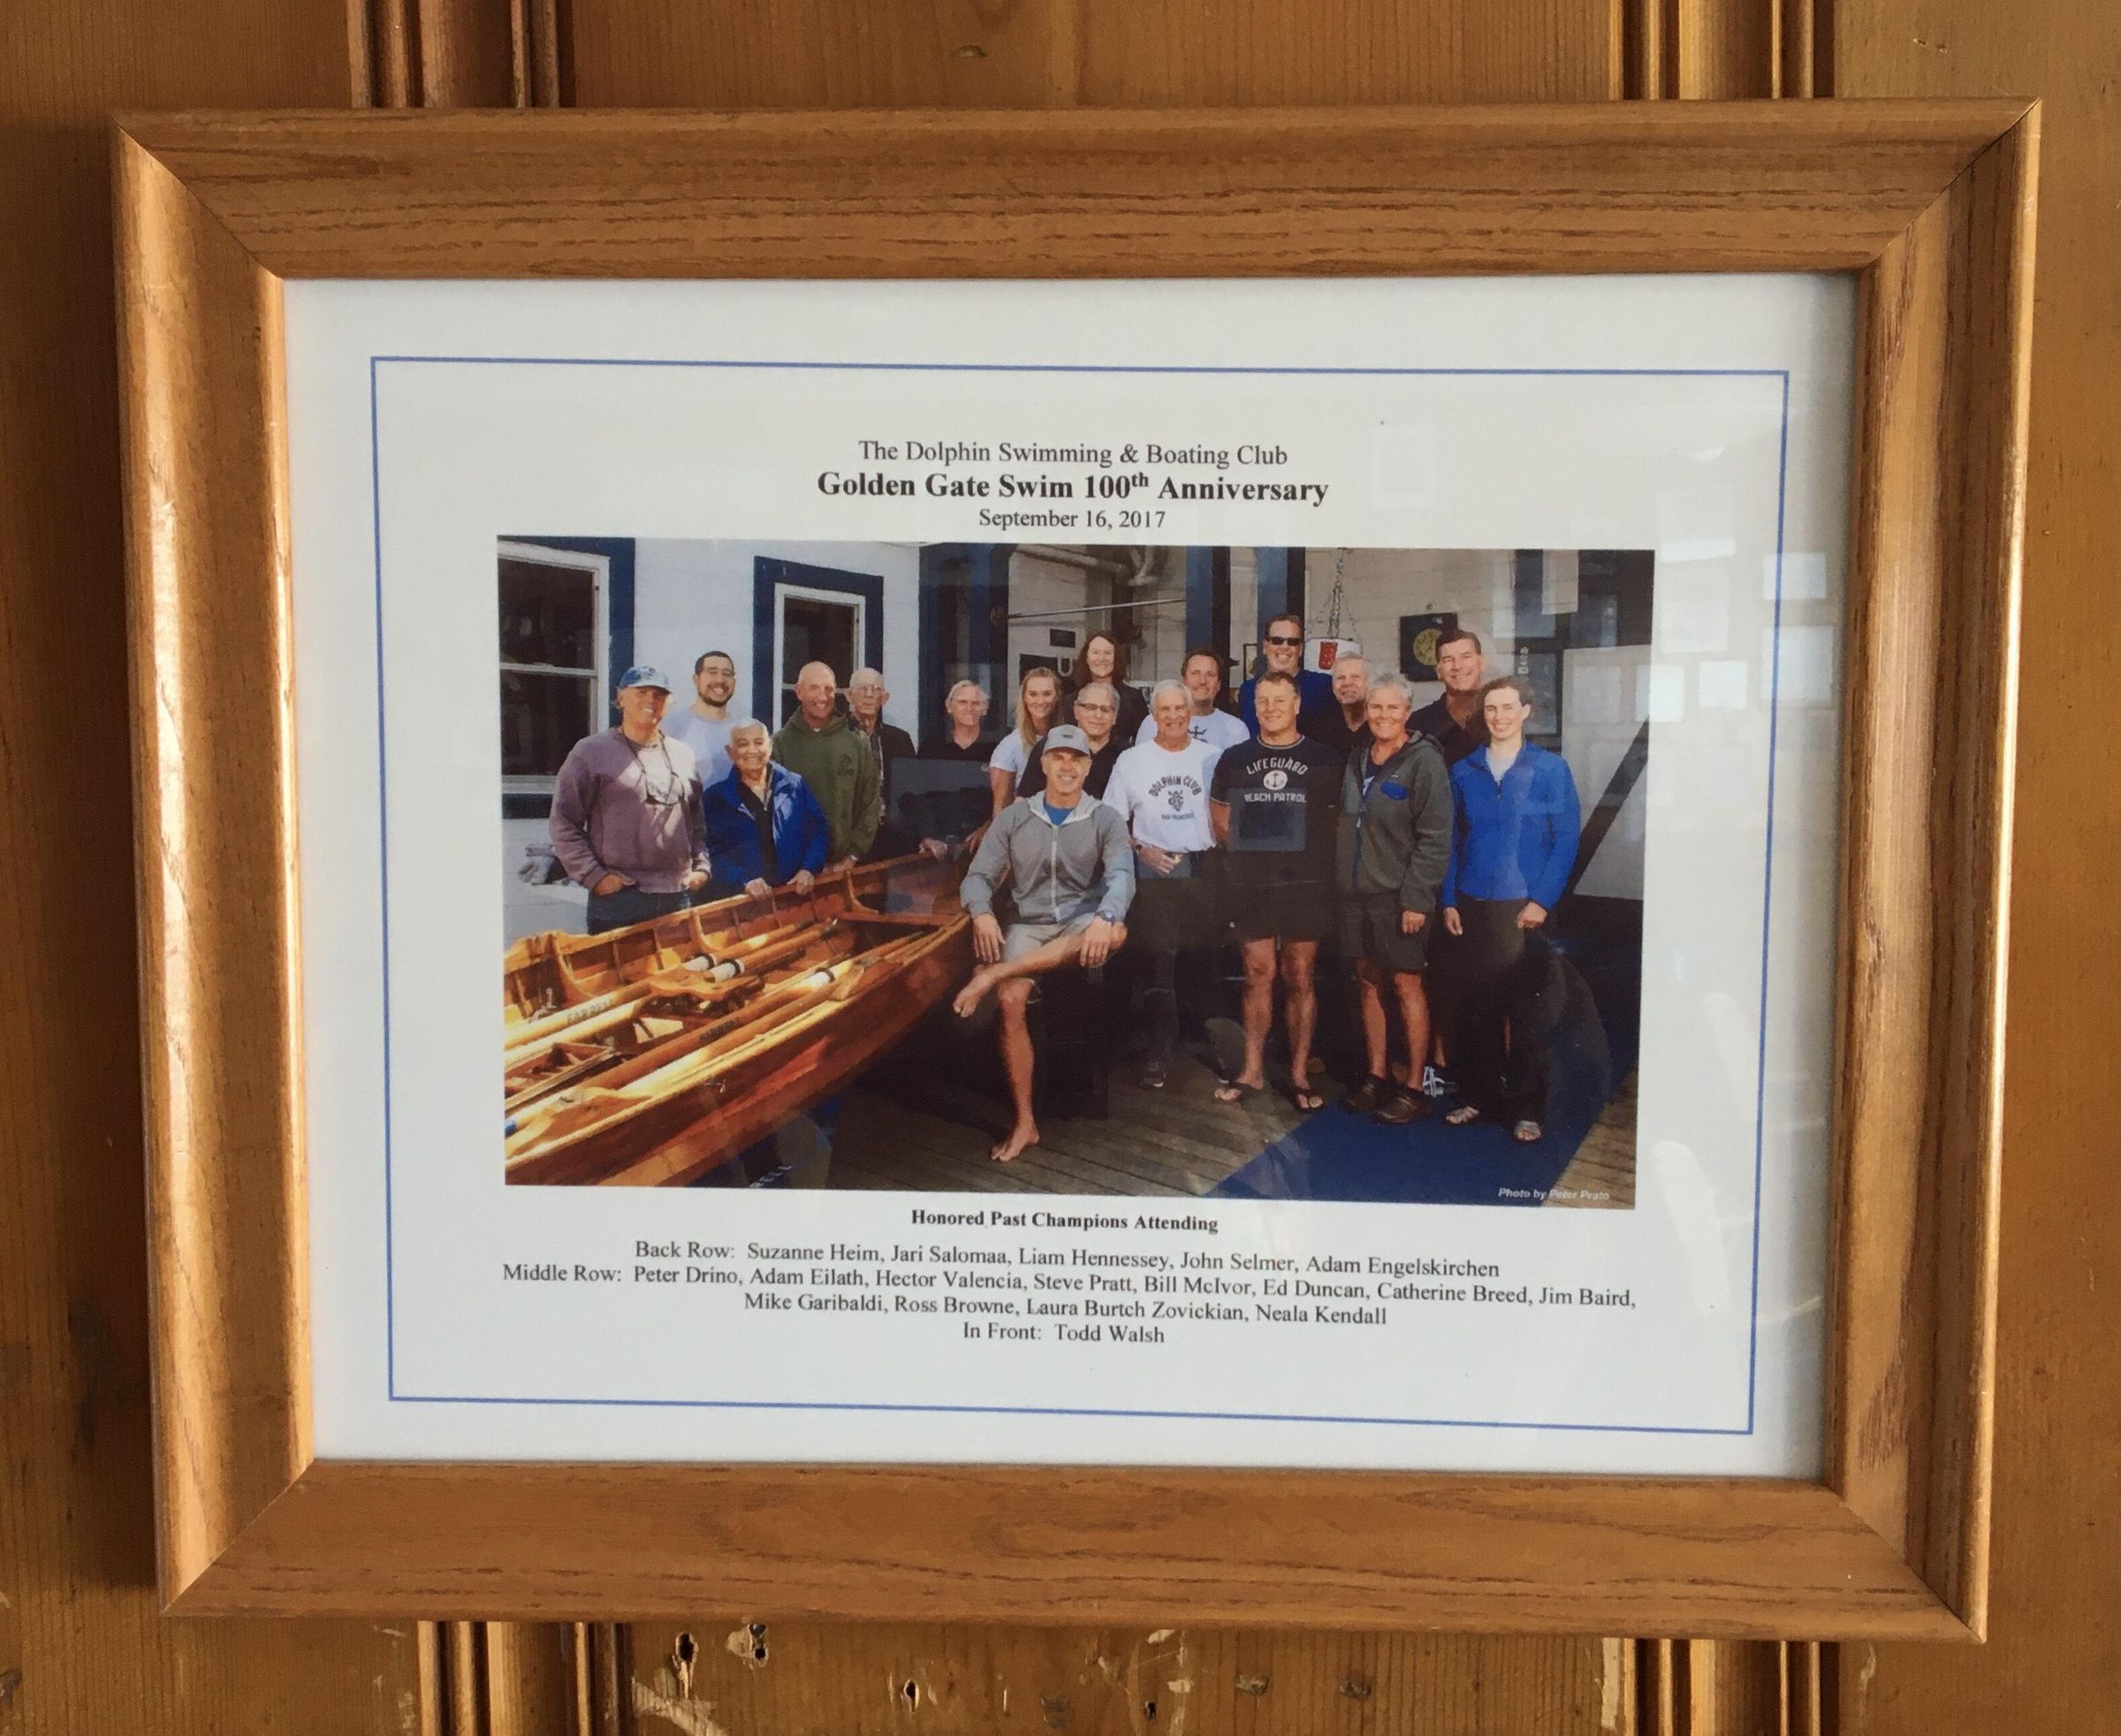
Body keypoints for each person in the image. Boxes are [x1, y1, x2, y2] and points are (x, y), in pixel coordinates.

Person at [952, 727, 1134, 1162]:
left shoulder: (1105, 817)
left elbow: (1122, 877)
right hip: (1029, 923)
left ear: (1088, 767)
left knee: (1117, 931)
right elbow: (978, 876)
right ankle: (1025, 1123)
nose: (1067, 767)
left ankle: (993, 973)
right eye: (1059, 758)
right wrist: (981, 912)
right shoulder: (1015, 817)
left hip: (1080, 922)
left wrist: (1105, 916)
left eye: (1077, 759)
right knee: (1011, 1000)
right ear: (1045, 764)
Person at [1441, 675, 1583, 1144]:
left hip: (1526, 907)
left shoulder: (1550, 769)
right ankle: (1478, 1097)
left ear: (1525, 712)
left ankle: (1525, 1107)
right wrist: (1448, 898)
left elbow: (1566, 839)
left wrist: (1542, 900)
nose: (1499, 717)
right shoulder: (1464, 771)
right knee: (1475, 1008)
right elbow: (1452, 840)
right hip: (1472, 903)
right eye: (1491, 709)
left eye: (1507, 708)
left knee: (1528, 1013)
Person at [1209, 668, 1344, 1110]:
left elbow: (1335, 821)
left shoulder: (1325, 758)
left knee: (1300, 975)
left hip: (1306, 882)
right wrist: (1256, 852)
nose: (1271, 709)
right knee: (1257, 972)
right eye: (1263, 701)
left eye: (1280, 700)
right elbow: (1220, 820)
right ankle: (1251, 1071)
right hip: (1253, 883)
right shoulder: (1234, 758)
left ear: (1297, 705)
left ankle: (1300, 1073)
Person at [1335, 672, 1452, 1124]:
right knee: (1368, 982)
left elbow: (1435, 838)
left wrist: (1417, 900)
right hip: (1355, 894)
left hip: (1399, 897)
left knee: (1406, 985)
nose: (1383, 715)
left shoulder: (1425, 761)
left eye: (1392, 707)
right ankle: (1377, 1074)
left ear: (1406, 712)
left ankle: (1414, 1086)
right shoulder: (1358, 755)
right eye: (1375, 707)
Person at [1102, 680, 1225, 1089]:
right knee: (1160, 962)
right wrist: (1141, 850)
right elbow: (1112, 822)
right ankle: (1158, 1048)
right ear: (1154, 716)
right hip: (1155, 869)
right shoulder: (1132, 761)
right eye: (1165, 710)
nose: (1173, 716)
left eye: (1180, 708)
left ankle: (1198, 1041)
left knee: (1200, 960)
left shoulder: (1213, 757)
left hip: (1203, 865)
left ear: (1190, 712)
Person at [548, 665, 711, 935]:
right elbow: (563, 821)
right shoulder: (591, 752)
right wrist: (594, 876)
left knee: (677, 964)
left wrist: (702, 867)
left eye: (659, 694)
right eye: (641, 692)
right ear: (620, 697)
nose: (651, 700)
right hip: (620, 898)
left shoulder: (683, 755)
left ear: (668, 703)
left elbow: (695, 821)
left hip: (676, 893)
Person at [699, 720, 831, 902]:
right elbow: (709, 854)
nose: (752, 750)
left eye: (759, 742)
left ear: (770, 746)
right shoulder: (715, 798)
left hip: (797, 896)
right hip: (747, 904)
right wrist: (743, 881)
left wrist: (809, 868)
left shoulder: (795, 785)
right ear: (730, 752)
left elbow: (819, 831)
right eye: (743, 744)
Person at [770, 660, 878, 871]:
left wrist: (852, 857)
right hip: (791, 871)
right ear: (799, 692)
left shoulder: (856, 745)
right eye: (814, 688)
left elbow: (870, 805)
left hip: (842, 868)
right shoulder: (778, 745)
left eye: (828, 689)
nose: (822, 697)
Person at [846, 666, 916, 859]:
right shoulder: (835, 736)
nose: (869, 695)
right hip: (848, 839)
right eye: (862, 688)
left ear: (884, 698)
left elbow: (911, 792)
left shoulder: (900, 739)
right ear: (849, 695)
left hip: (891, 836)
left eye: (876, 689)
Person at [1017, 679, 1124, 799]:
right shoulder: (1050, 747)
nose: (1098, 715)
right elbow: (1024, 800)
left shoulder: (1126, 756)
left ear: (1115, 716)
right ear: (1076, 711)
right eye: (1090, 707)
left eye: (1105, 709)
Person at [1134, 646, 1249, 755]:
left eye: (1210, 675)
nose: (1202, 681)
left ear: (1218, 684)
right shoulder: (1154, 723)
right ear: (1184, 680)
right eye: (1195, 673)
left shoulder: (1236, 729)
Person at [1237, 612, 1336, 735]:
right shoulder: (1248, 690)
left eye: (1293, 641)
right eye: (1277, 640)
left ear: (1300, 649)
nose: (1285, 647)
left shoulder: (1324, 687)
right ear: (1265, 646)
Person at [1408, 628, 1491, 765]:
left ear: (1481, 663)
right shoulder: (1418, 724)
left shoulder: (1501, 716)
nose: (1457, 666)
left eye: (1466, 657)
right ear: (1438, 671)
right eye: (1448, 660)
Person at [988, 667, 1062, 818]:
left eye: (1047, 694)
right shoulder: (1009, 747)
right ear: (1024, 698)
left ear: (1057, 697)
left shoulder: (1069, 737)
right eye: (1033, 694)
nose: (1040, 701)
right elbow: (1001, 809)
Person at [665, 648, 739, 787]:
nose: (720, 680)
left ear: (734, 682)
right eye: (712, 672)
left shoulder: (746, 729)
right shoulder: (671, 726)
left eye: (727, 674)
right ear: (696, 680)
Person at [1062, 629, 1148, 742]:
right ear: (1086, 658)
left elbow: (1144, 741)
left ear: (1115, 658)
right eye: (1095, 652)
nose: (1102, 659)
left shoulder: (1134, 698)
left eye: (1108, 653)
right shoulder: (1071, 700)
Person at [1308, 650, 1373, 759]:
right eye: (1341, 678)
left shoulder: (1381, 724)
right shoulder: (1319, 728)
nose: (1347, 683)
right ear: (1333, 687)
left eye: (1355, 677)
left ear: (1369, 682)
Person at [920, 680, 994, 760]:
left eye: (976, 703)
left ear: (985, 709)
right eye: (962, 702)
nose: (969, 708)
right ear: (949, 706)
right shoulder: (932, 747)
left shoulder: (997, 747)